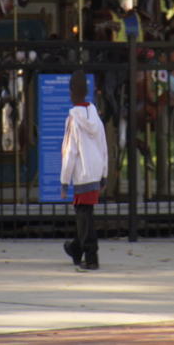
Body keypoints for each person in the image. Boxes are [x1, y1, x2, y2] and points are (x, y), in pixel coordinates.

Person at [61, 70, 108, 271]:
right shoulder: (95, 116)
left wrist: (64, 180)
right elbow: (103, 144)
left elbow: (69, 151)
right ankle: (76, 248)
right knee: (85, 213)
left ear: (72, 91)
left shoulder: (73, 119)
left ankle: (91, 255)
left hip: (82, 172)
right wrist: (104, 173)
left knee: (83, 214)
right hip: (96, 169)